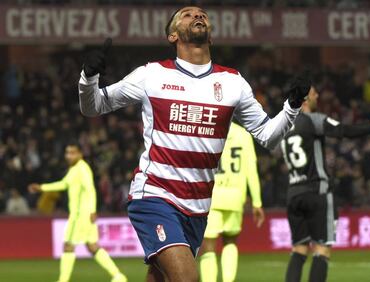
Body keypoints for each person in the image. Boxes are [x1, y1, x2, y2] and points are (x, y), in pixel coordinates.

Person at [78, 6, 310, 282]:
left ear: (210, 37)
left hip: (199, 207)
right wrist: (88, 78)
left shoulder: (232, 82)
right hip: (155, 195)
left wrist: (292, 106)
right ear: (173, 36)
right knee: (187, 278)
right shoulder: (151, 75)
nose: (197, 16)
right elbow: (94, 106)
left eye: (202, 14)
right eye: (187, 14)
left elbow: (267, 135)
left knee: (160, 277)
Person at [281, 86, 370, 282]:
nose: (318, 95)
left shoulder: (284, 125)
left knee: (299, 250)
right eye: (314, 93)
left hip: (294, 193)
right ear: (305, 100)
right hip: (317, 191)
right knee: (322, 250)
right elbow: (345, 131)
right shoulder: (313, 120)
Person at [28, 142, 127, 282]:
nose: (68, 156)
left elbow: (90, 189)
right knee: (92, 246)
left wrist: (92, 210)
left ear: (80, 154)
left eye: (72, 152)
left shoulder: (82, 169)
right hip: (84, 213)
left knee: (68, 245)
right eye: (67, 152)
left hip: (81, 214)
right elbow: (63, 184)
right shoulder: (74, 169)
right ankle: (118, 276)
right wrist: (42, 188)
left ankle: (63, 280)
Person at [199, 122, 265, 282]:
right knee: (230, 241)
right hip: (235, 196)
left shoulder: (206, 131)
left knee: (208, 245)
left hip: (211, 196)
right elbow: (251, 170)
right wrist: (257, 202)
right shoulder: (243, 134)